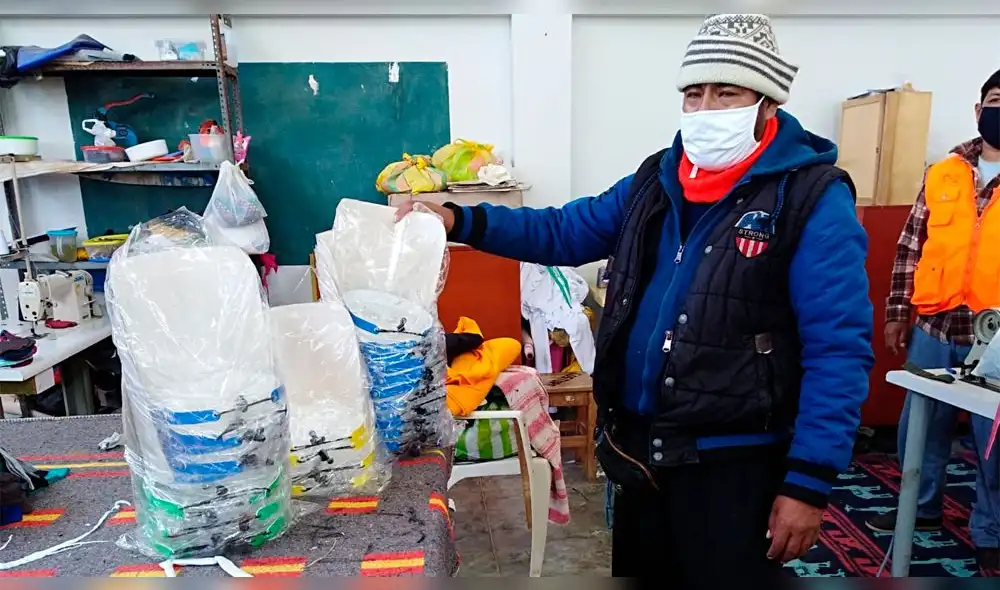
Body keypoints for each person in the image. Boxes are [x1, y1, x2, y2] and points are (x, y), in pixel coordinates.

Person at [398, 14, 873, 584]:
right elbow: (565, 231)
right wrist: (461, 218)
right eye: (693, 94)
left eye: (727, 92)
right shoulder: (659, 179)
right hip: (643, 455)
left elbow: (838, 351)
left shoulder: (809, 198)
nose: (706, 109)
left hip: (735, 460)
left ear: (767, 102)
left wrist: (808, 482)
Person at [869, 68, 1000, 573]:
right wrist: (898, 312)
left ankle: (990, 529)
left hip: (993, 338)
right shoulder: (944, 172)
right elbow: (909, 247)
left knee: (993, 443)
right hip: (935, 325)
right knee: (920, 428)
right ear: (977, 108)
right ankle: (919, 510)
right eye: (995, 98)